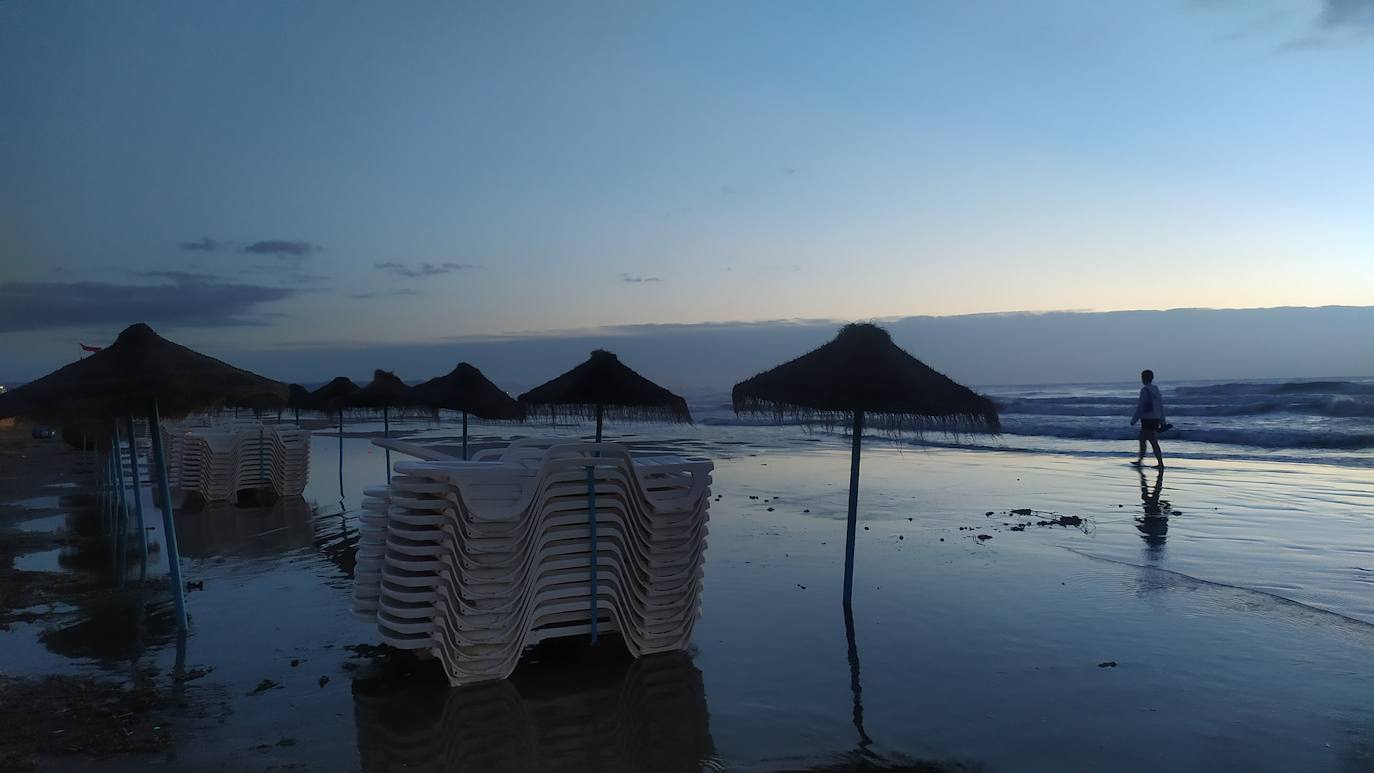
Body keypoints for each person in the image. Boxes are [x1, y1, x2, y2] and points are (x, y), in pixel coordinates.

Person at [1129, 369, 1166, 467]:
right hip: (1155, 419)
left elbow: (1141, 407)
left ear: (1143, 378)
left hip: (1146, 419)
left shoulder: (1144, 390)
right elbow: (1160, 406)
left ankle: (1159, 463)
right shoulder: (1156, 390)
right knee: (1144, 439)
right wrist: (1162, 420)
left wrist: (1134, 420)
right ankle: (1141, 460)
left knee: (1150, 441)